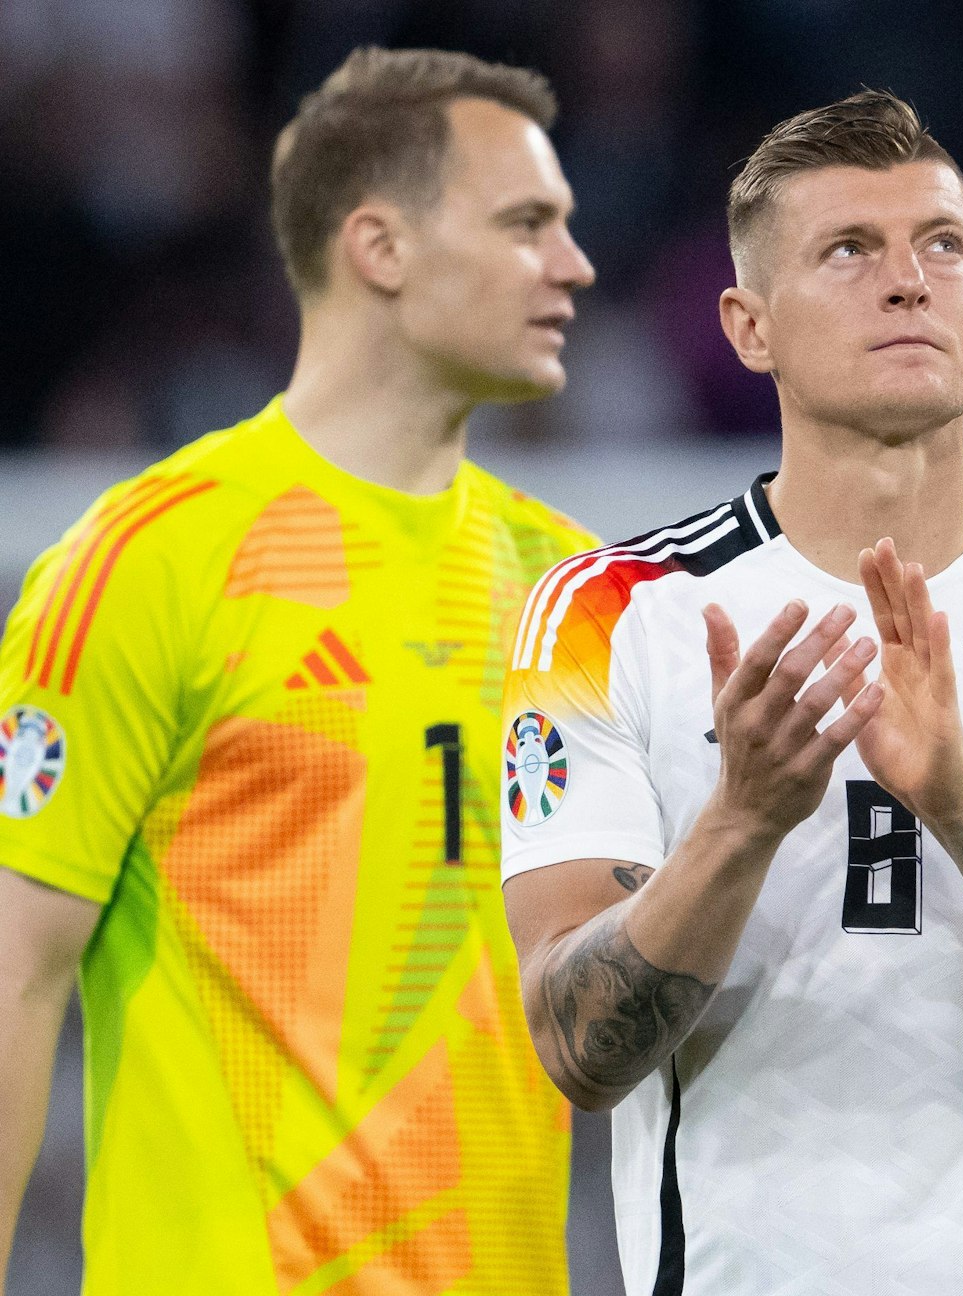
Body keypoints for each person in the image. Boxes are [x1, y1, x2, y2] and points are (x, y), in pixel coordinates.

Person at [499, 90, 963, 1296]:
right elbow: (578, 1047)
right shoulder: (610, 614)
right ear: (749, 327)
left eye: (942, 247)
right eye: (849, 251)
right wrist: (743, 819)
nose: (908, 282)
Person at [0, 47, 599, 1293]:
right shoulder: (150, 562)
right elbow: (16, 973)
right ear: (379, 248)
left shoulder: (570, 593)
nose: (574, 266)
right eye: (526, 224)